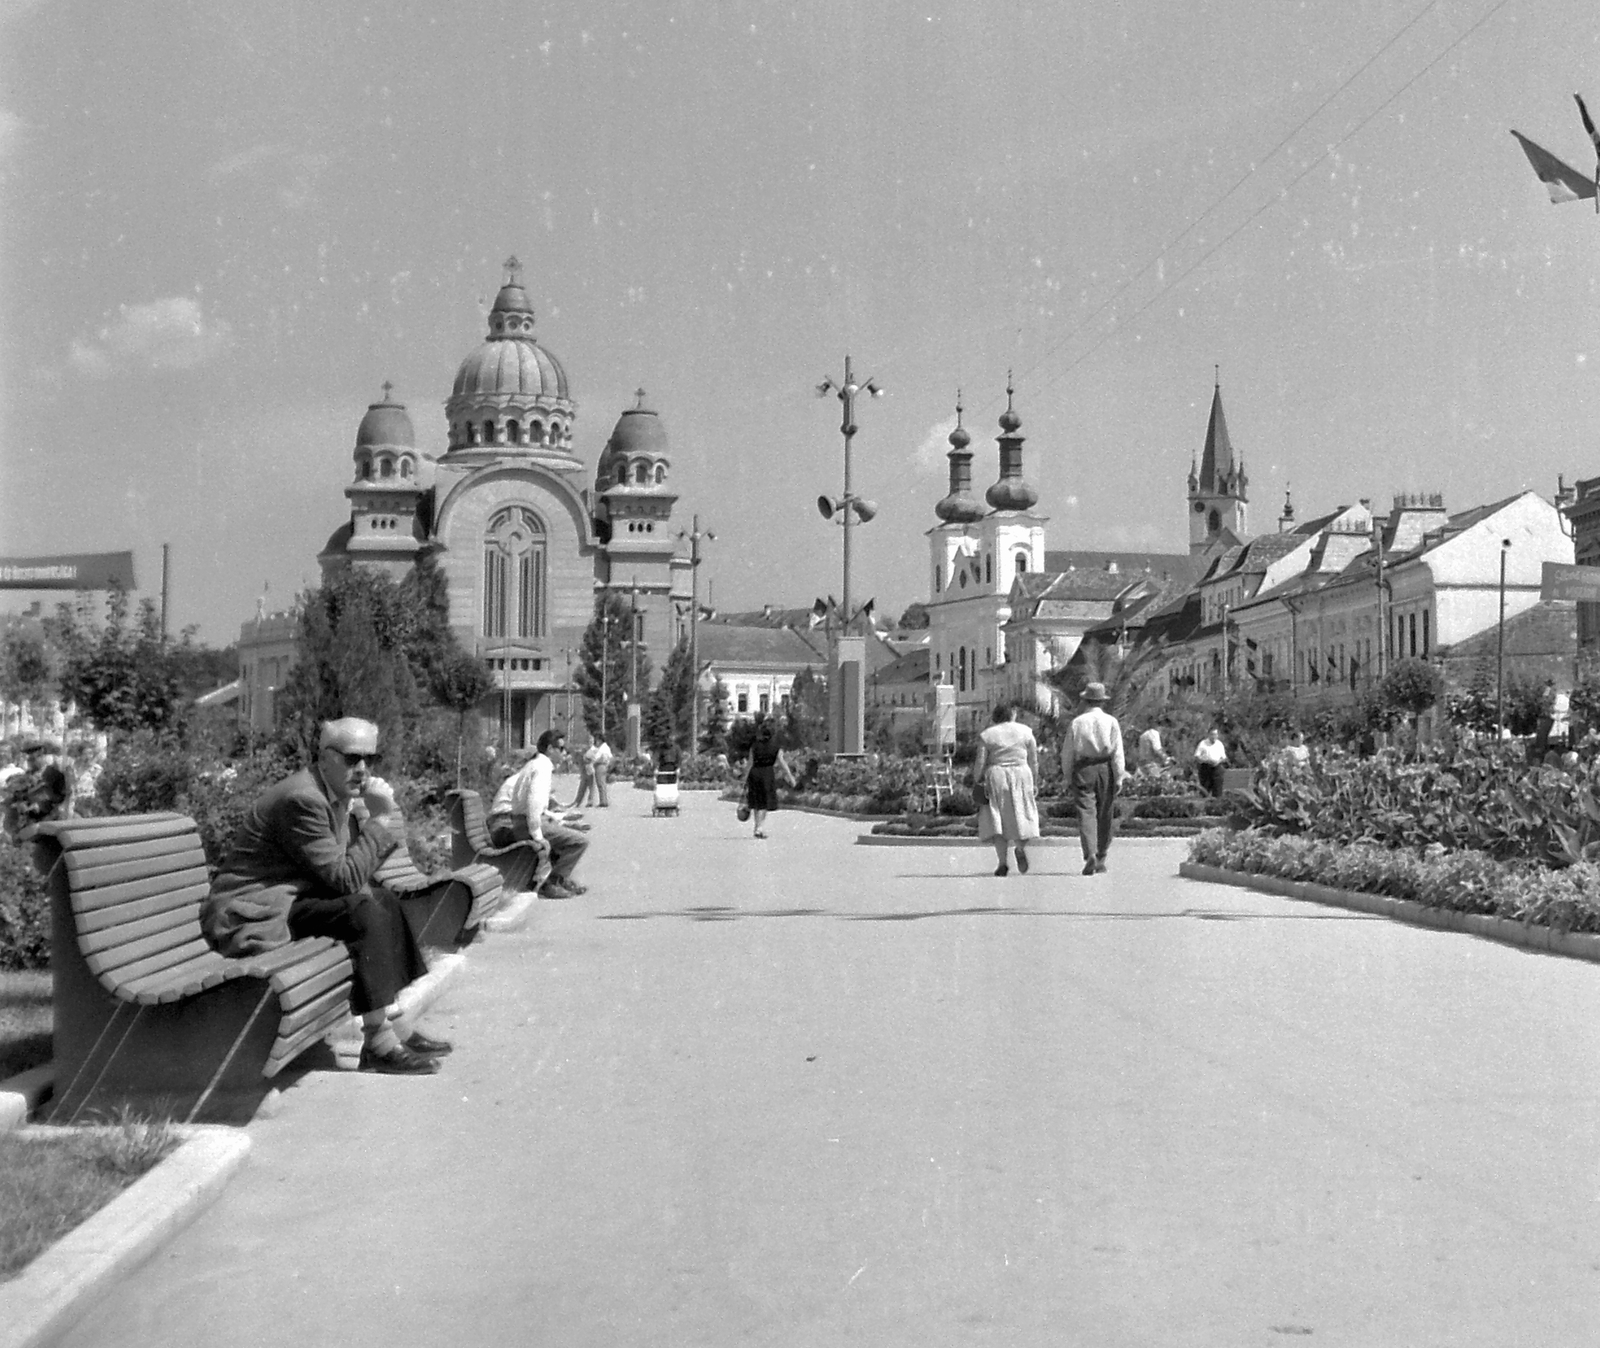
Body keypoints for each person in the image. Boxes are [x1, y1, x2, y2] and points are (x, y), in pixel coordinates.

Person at [202, 718, 447, 1076]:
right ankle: (378, 1043)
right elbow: (344, 879)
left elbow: (347, 876)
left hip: (289, 900)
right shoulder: (303, 799)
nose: (362, 769)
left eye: (370, 759)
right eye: (351, 758)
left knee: (383, 902)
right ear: (324, 757)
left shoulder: (334, 794)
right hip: (254, 914)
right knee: (362, 909)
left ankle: (396, 1025)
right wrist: (379, 820)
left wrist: (370, 824)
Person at [488, 730, 590, 898]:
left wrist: (561, 822)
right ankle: (551, 883)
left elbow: (538, 808)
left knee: (563, 838)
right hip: (517, 824)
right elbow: (533, 805)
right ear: (550, 749)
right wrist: (537, 835)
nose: (565, 753)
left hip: (516, 822)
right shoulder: (542, 767)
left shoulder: (534, 765)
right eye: (561, 749)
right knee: (579, 842)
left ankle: (559, 879)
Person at [1060, 682, 1126, 875]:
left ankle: (1090, 853)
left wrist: (1068, 775)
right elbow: (1118, 752)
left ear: (1085, 701)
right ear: (1102, 702)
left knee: (1086, 812)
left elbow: (1068, 753)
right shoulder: (1111, 721)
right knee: (1105, 812)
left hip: (1083, 768)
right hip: (1105, 767)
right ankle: (1102, 855)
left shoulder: (1077, 723)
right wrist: (1119, 776)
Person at [971, 703, 1041, 877]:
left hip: (997, 775)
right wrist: (1035, 781)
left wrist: (976, 780)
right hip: (1022, 774)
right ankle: (1020, 847)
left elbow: (980, 761)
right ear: (1013, 714)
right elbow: (1034, 760)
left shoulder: (987, 735)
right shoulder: (1026, 731)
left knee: (998, 818)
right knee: (1022, 813)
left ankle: (1002, 862)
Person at [743, 717, 796, 839]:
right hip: (767, 774)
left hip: (755, 773)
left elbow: (749, 763)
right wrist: (790, 777)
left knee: (756, 802)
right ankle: (760, 827)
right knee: (765, 802)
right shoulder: (776, 747)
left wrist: (744, 778)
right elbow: (782, 763)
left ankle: (757, 827)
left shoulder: (754, 746)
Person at [1194, 727, 1228, 797]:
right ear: (1209, 735)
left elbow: (1224, 758)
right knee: (1205, 791)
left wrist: (1218, 761)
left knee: (1218, 792)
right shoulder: (1203, 744)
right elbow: (1197, 756)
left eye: (1215, 734)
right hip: (1206, 769)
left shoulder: (1219, 744)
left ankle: (1217, 805)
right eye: (1212, 734)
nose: (1214, 736)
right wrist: (1205, 760)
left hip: (1217, 769)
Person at [590, 734, 613, 807]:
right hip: (604, 765)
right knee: (602, 784)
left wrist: (593, 760)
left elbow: (598, 757)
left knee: (600, 784)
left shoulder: (602, 748)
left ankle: (603, 801)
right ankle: (604, 800)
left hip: (600, 765)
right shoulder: (606, 747)